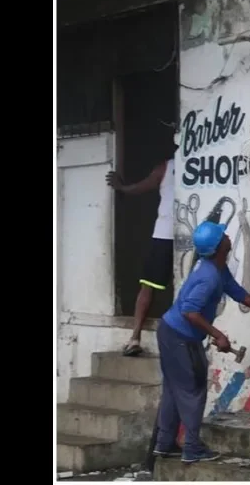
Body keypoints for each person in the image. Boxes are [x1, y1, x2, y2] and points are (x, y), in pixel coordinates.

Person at [153, 221, 250, 463]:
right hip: (179, 336)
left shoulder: (216, 268)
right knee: (192, 390)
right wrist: (218, 335)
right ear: (219, 246)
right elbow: (190, 311)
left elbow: (240, 294)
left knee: (175, 389)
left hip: (176, 334)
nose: (227, 235)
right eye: (223, 235)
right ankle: (192, 447)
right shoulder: (210, 277)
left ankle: (164, 444)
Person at [105, 144, 176, 357]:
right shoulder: (198, 164)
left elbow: (140, 188)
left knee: (147, 286)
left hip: (164, 234)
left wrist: (121, 187)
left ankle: (135, 337)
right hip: (192, 233)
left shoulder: (165, 167)